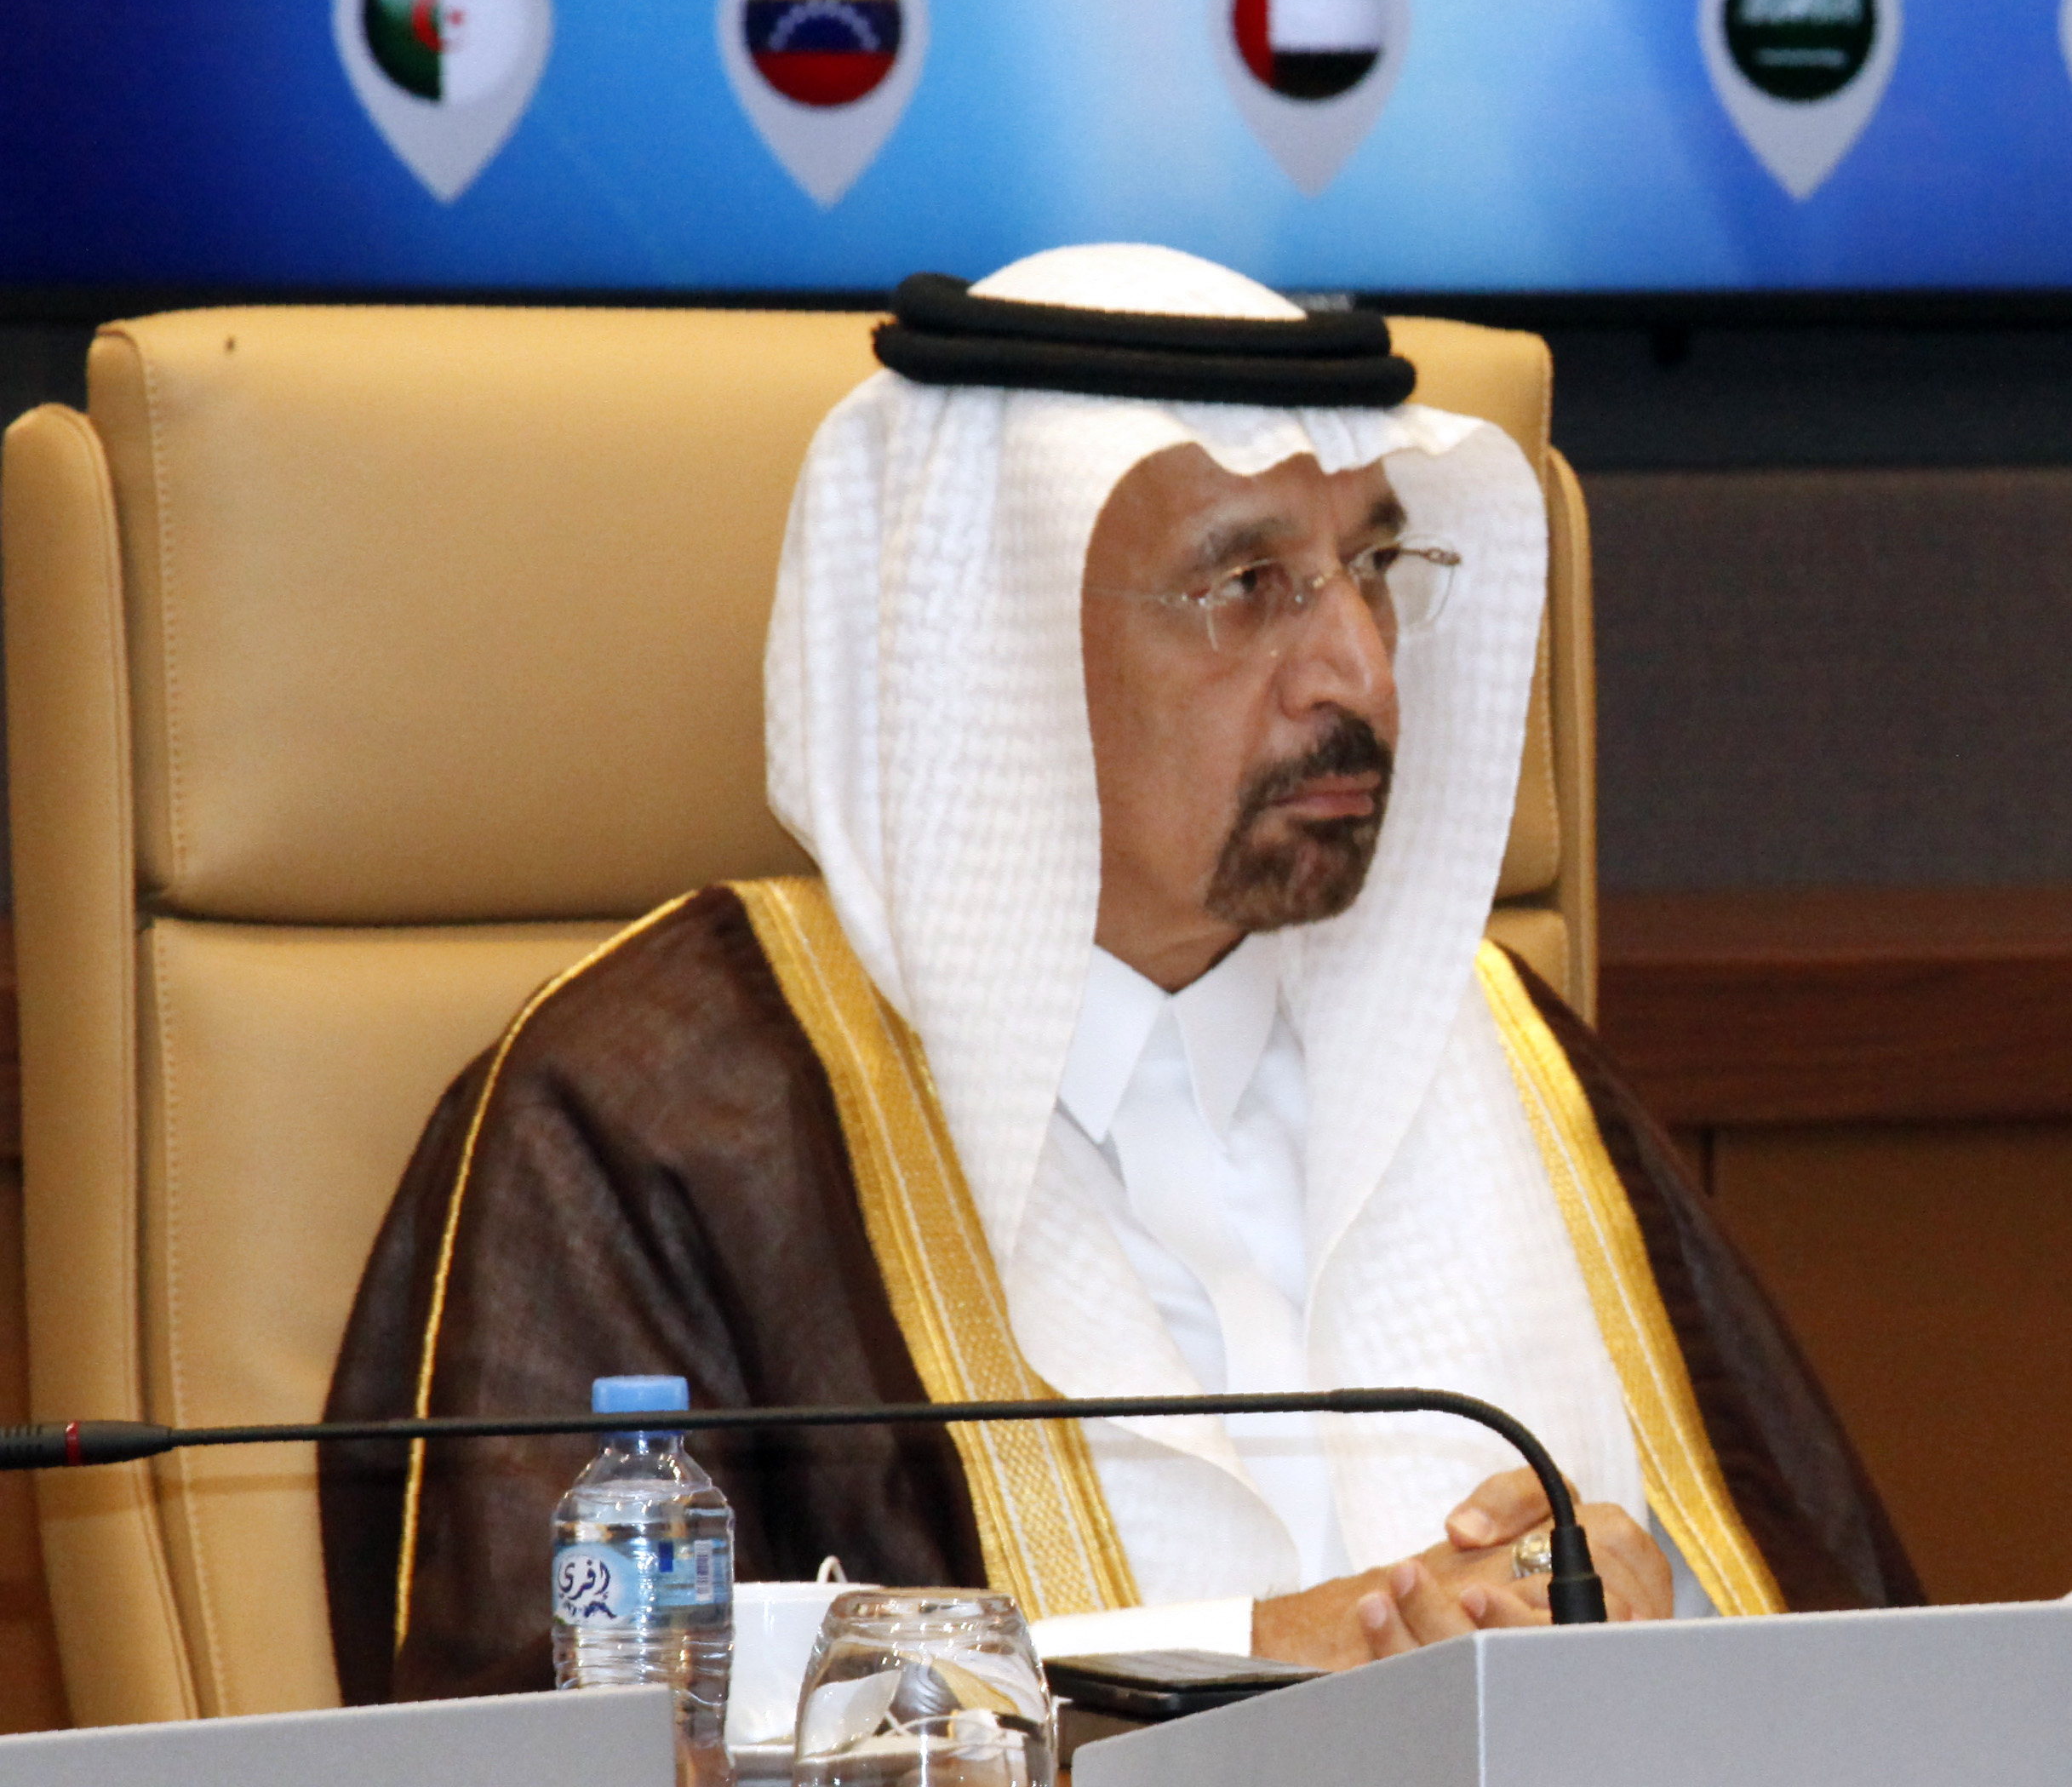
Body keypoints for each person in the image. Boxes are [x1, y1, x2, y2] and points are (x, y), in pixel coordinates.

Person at [320, 248, 1915, 1703]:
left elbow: (1867, 1653)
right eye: (1247, 587)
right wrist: (1265, 1657)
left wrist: (1649, 1611)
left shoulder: (1506, 1056)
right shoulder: (655, 1120)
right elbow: (551, 1751)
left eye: (1370, 569)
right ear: (987, 644)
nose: (1358, 668)